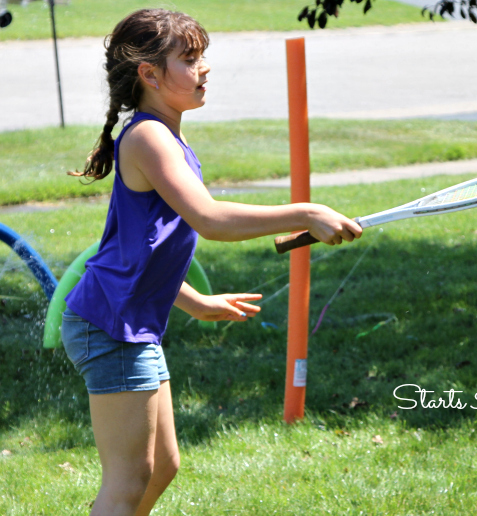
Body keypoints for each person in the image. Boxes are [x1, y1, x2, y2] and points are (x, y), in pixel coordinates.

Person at [61, 8, 361, 516]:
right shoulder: (149, 137)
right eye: (191, 59)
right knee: (130, 478)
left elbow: (137, 249)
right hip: (109, 325)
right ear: (150, 75)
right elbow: (211, 219)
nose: (205, 69)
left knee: (161, 468)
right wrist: (307, 212)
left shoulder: (165, 138)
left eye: (203, 58)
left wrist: (194, 301)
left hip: (128, 323)